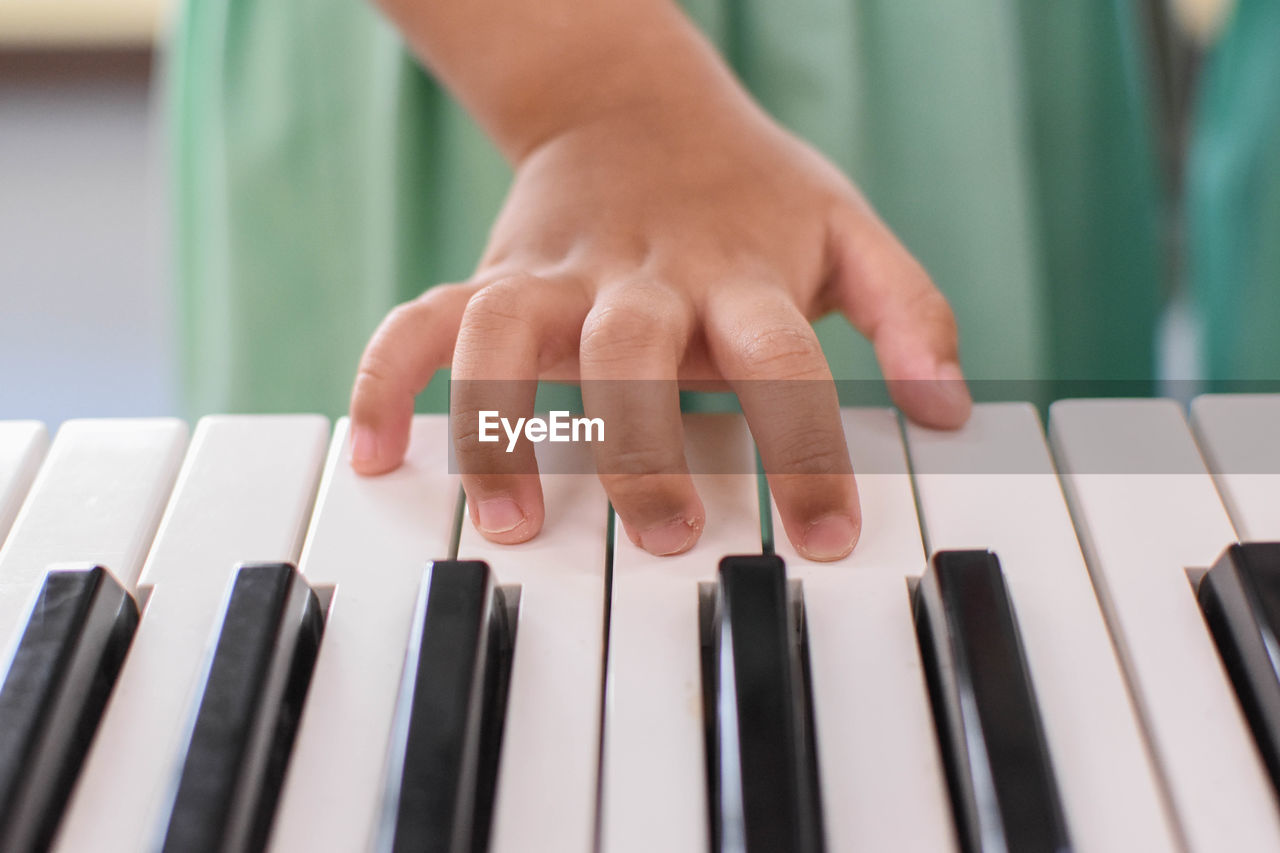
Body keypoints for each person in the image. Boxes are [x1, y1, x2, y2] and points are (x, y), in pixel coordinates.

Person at [172, 0, 1165, 559]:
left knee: (1026, 557)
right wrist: (600, 98)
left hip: (964, 41)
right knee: (396, 560)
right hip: (471, 44)